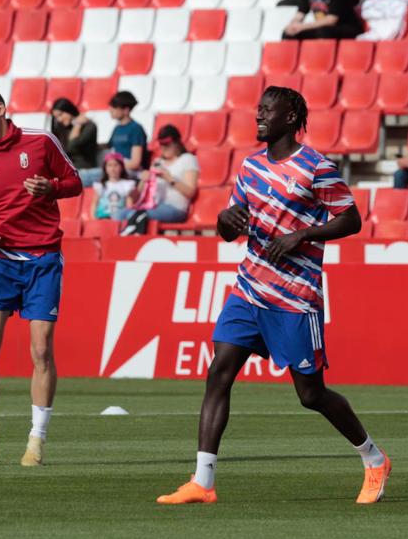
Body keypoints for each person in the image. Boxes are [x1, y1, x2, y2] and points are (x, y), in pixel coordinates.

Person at [156, 87, 390, 506]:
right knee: (219, 372)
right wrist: (224, 219)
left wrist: (305, 234)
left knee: (310, 395)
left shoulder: (315, 167)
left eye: (268, 110)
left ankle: (373, 458)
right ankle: (203, 482)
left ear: (290, 116)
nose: (259, 115)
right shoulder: (250, 167)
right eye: (258, 109)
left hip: (295, 298)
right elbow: (231, 228)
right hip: (249, 288)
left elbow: (351, 219)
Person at [0, 86, 82, 468]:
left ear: (0, 108)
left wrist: (51, 188)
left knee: (41, 350)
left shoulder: (41, 141)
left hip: (43, 258)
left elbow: (75, 182)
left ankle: (37, 440)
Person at [118, 125, 199, 233]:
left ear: (177, 143)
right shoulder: (158, 161)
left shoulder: (188, 159)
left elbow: (190, 192)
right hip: (152, 206)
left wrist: (169, 178)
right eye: (161, 144)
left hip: (175, 208)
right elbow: (139, 196)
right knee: (118, 215)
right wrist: (143, 181)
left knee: (140, 215)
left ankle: (129, 243)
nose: (164, 148)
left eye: (167, 144)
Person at [50, 97, 99, 180]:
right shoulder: (62, 128)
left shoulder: (89, 126)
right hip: (68, 171)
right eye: (56, 117)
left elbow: (71, 147)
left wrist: (77, 125)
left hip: (84, 170)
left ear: (69, 110)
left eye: (61, 115)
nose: (59, 120)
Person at [107, 91, 147, 176]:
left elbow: (135, 163)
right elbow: (108, 147)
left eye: (114, 106)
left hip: (129, 172)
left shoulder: (136, 129)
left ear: (126, 110)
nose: (110, 109)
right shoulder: (117, 128)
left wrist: (110, 166)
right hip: (116, 170)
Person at [91, 152, 135, 220]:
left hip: (119, 219)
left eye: (116, 165)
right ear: (105, 168)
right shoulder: (101, 185)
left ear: (122, 167)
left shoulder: (127, 185)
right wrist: (93, 219)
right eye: (109, 165)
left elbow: (129, 205)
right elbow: (94, 204)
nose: (113, 169)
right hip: (102, 218)